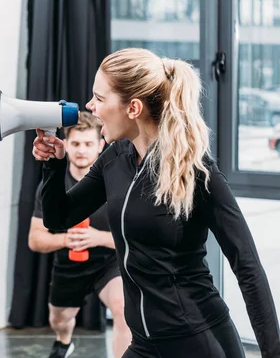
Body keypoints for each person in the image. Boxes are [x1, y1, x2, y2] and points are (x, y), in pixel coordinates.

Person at [32, 47, 280, 358]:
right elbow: (58, 218)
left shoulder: (195, 171)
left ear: (133, 107)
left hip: (200, 341)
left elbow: (248, 266)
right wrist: (54, 165)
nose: (90, 106)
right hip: (145, 345)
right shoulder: (114, 159)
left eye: (100, 98)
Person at [28, 111, 131, 358]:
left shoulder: (117, 181)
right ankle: (64, 341)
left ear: (100, 146)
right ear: (66, 144)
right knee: (59, 320)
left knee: (123, 308)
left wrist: (100, 238)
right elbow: (35, 239)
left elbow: (136, 236)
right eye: (75, 144)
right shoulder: (52, 184)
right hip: (68, 263)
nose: (81, 150)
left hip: (108, 261)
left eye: (88, 144)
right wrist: (65, 239)